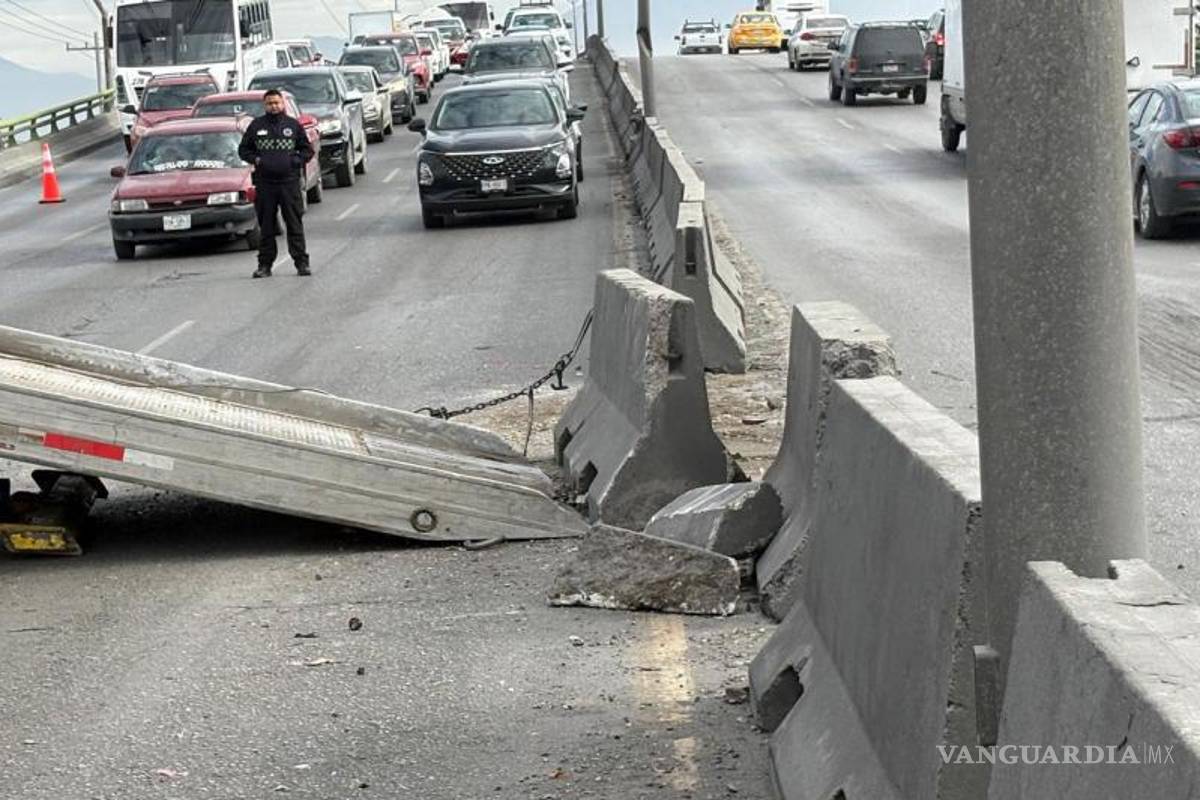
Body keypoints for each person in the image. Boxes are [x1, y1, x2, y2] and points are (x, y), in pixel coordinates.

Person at [238, 89, 314, 278]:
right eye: (270, 103)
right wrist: (256, 159)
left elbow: (307, 151)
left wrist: (294, 161)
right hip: (265, 184)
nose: (274, 106)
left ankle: (301, 263)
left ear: (283, 104)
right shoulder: (256, 126)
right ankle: (265, 265)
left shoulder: (293, 125)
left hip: (289, 183)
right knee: (267, 227)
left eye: (277, 103)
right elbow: (243, 150)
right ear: (265, 105)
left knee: (294, 224)